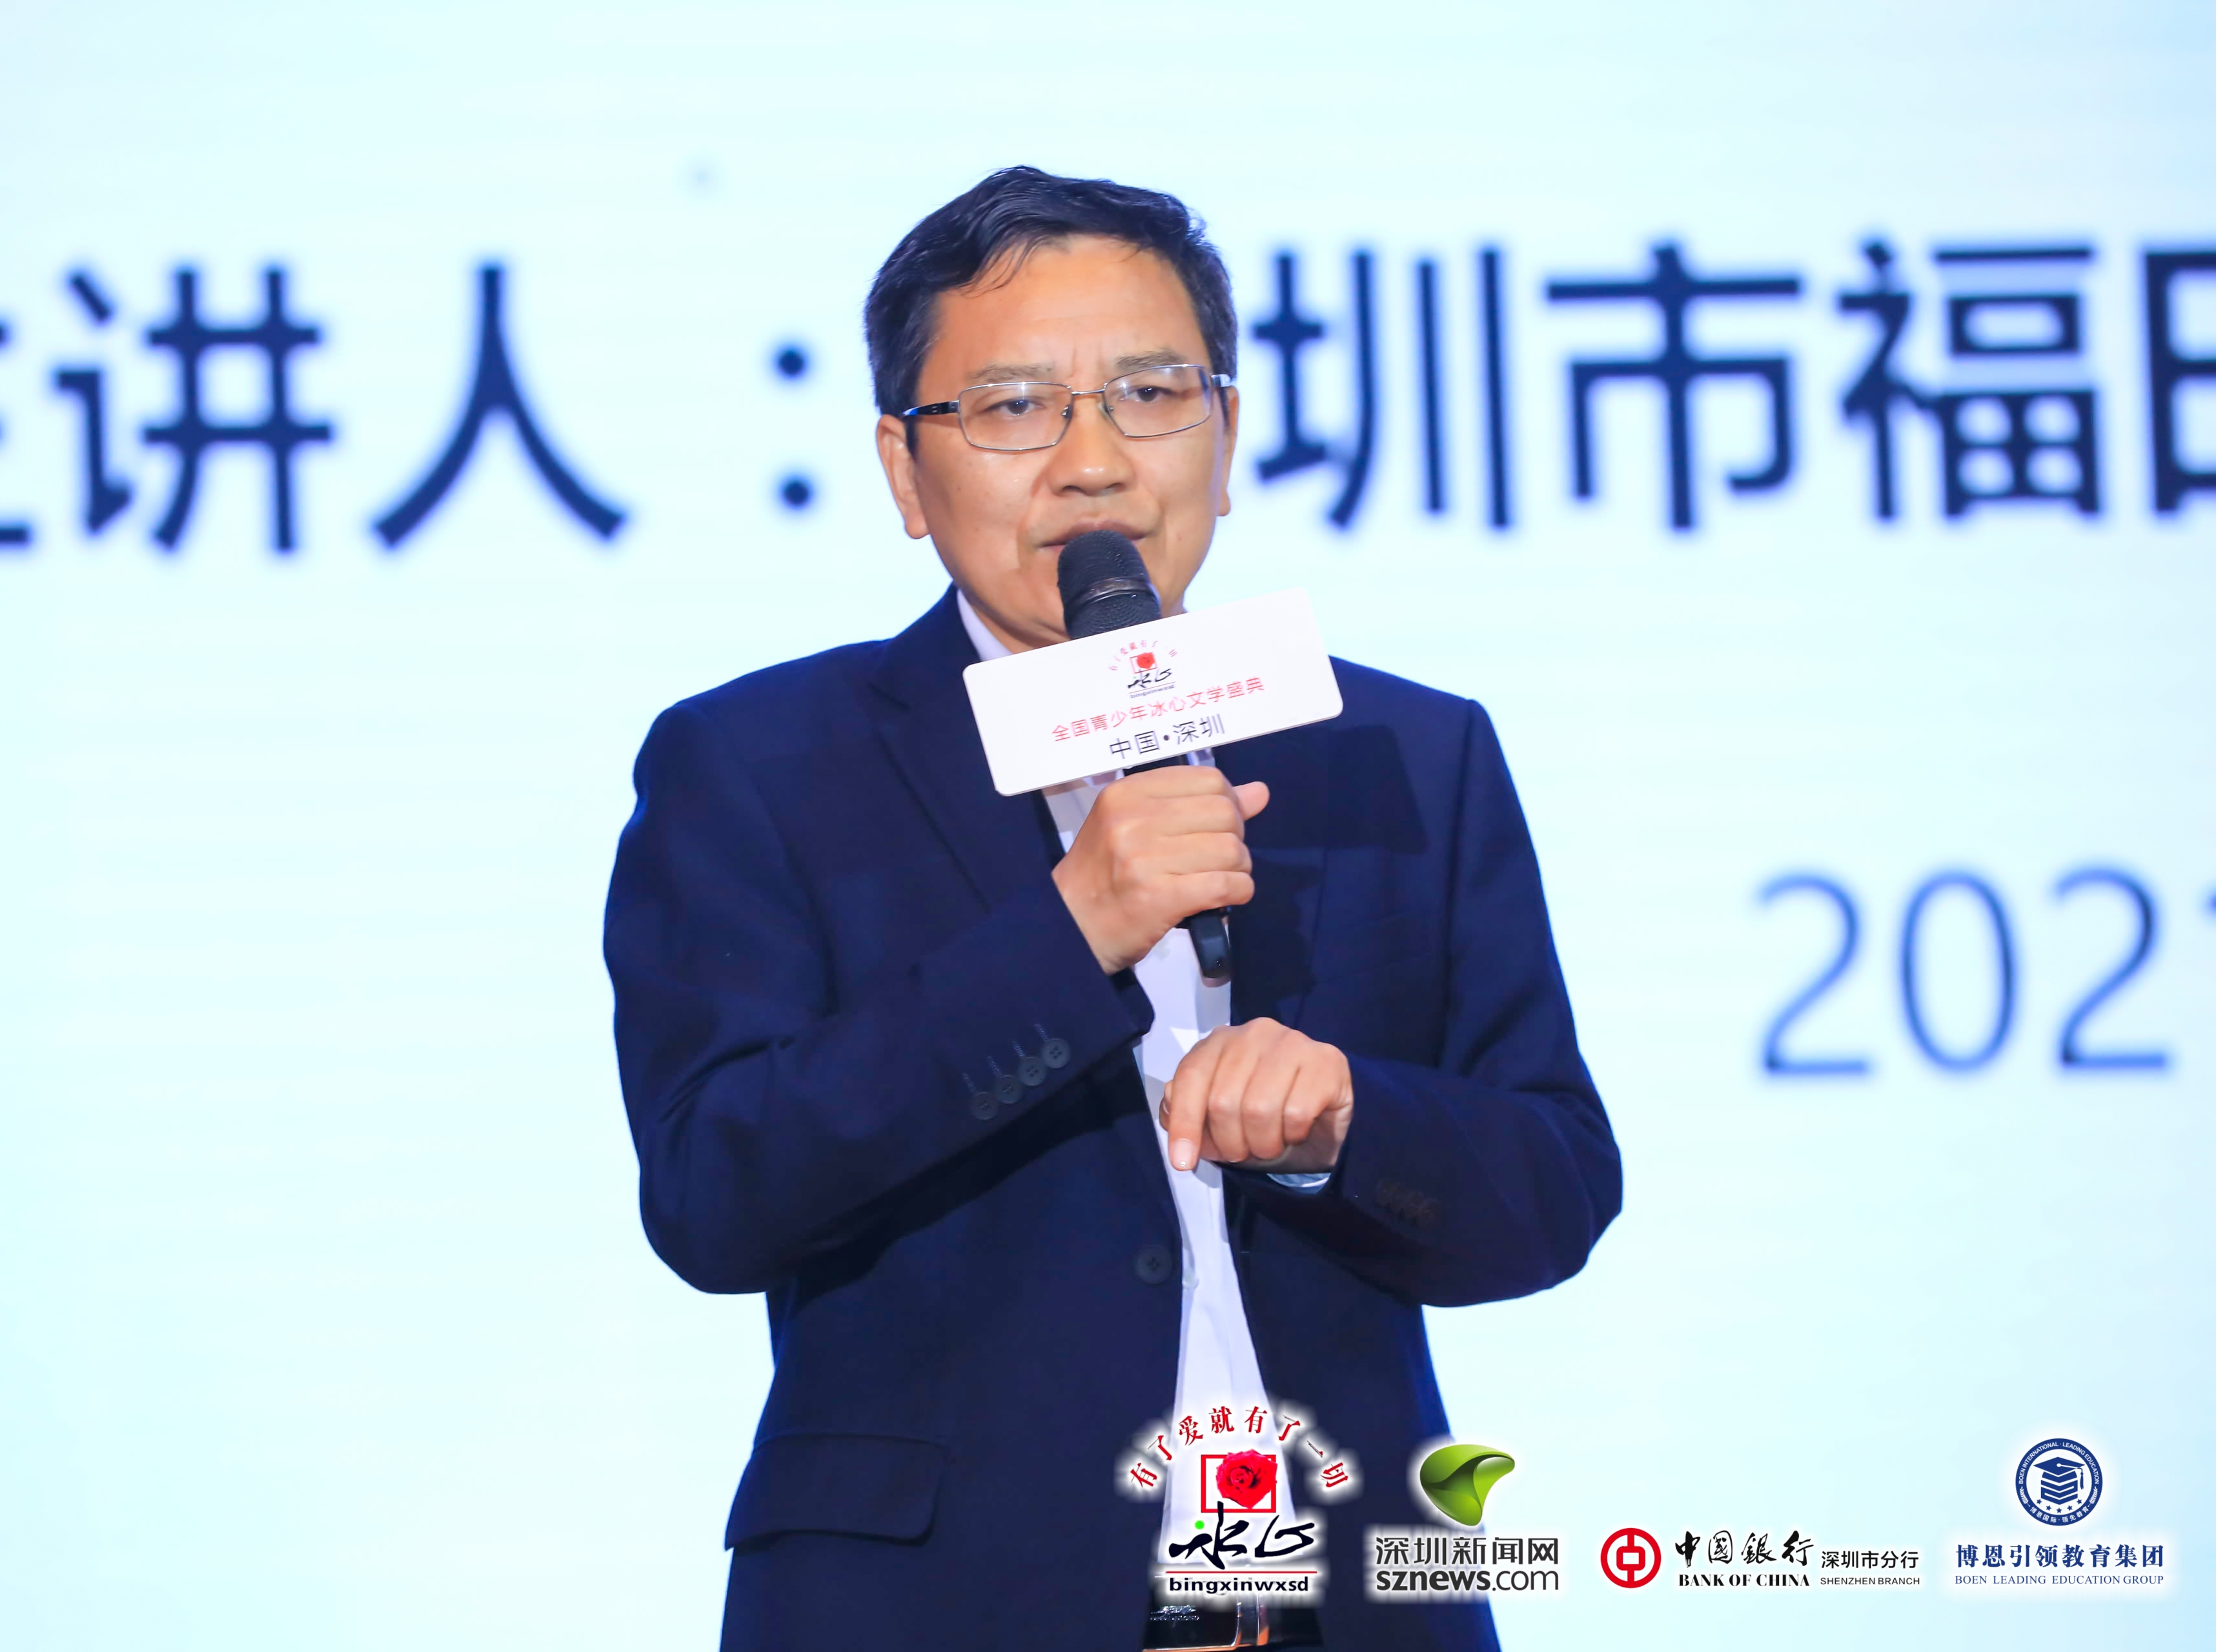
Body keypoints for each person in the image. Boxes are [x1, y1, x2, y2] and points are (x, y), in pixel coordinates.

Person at [604, 166, 1620, 1652]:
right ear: (904, 470)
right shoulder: (759, 763)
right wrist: (1067, 931)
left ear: (1227, 435)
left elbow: (1553, 1186)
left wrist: (1349, 1124)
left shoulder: (1402, 751)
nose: (1092, 463)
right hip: (944, 1607)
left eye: (1150, 393)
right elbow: (716, 1192)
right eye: (1014, 407)